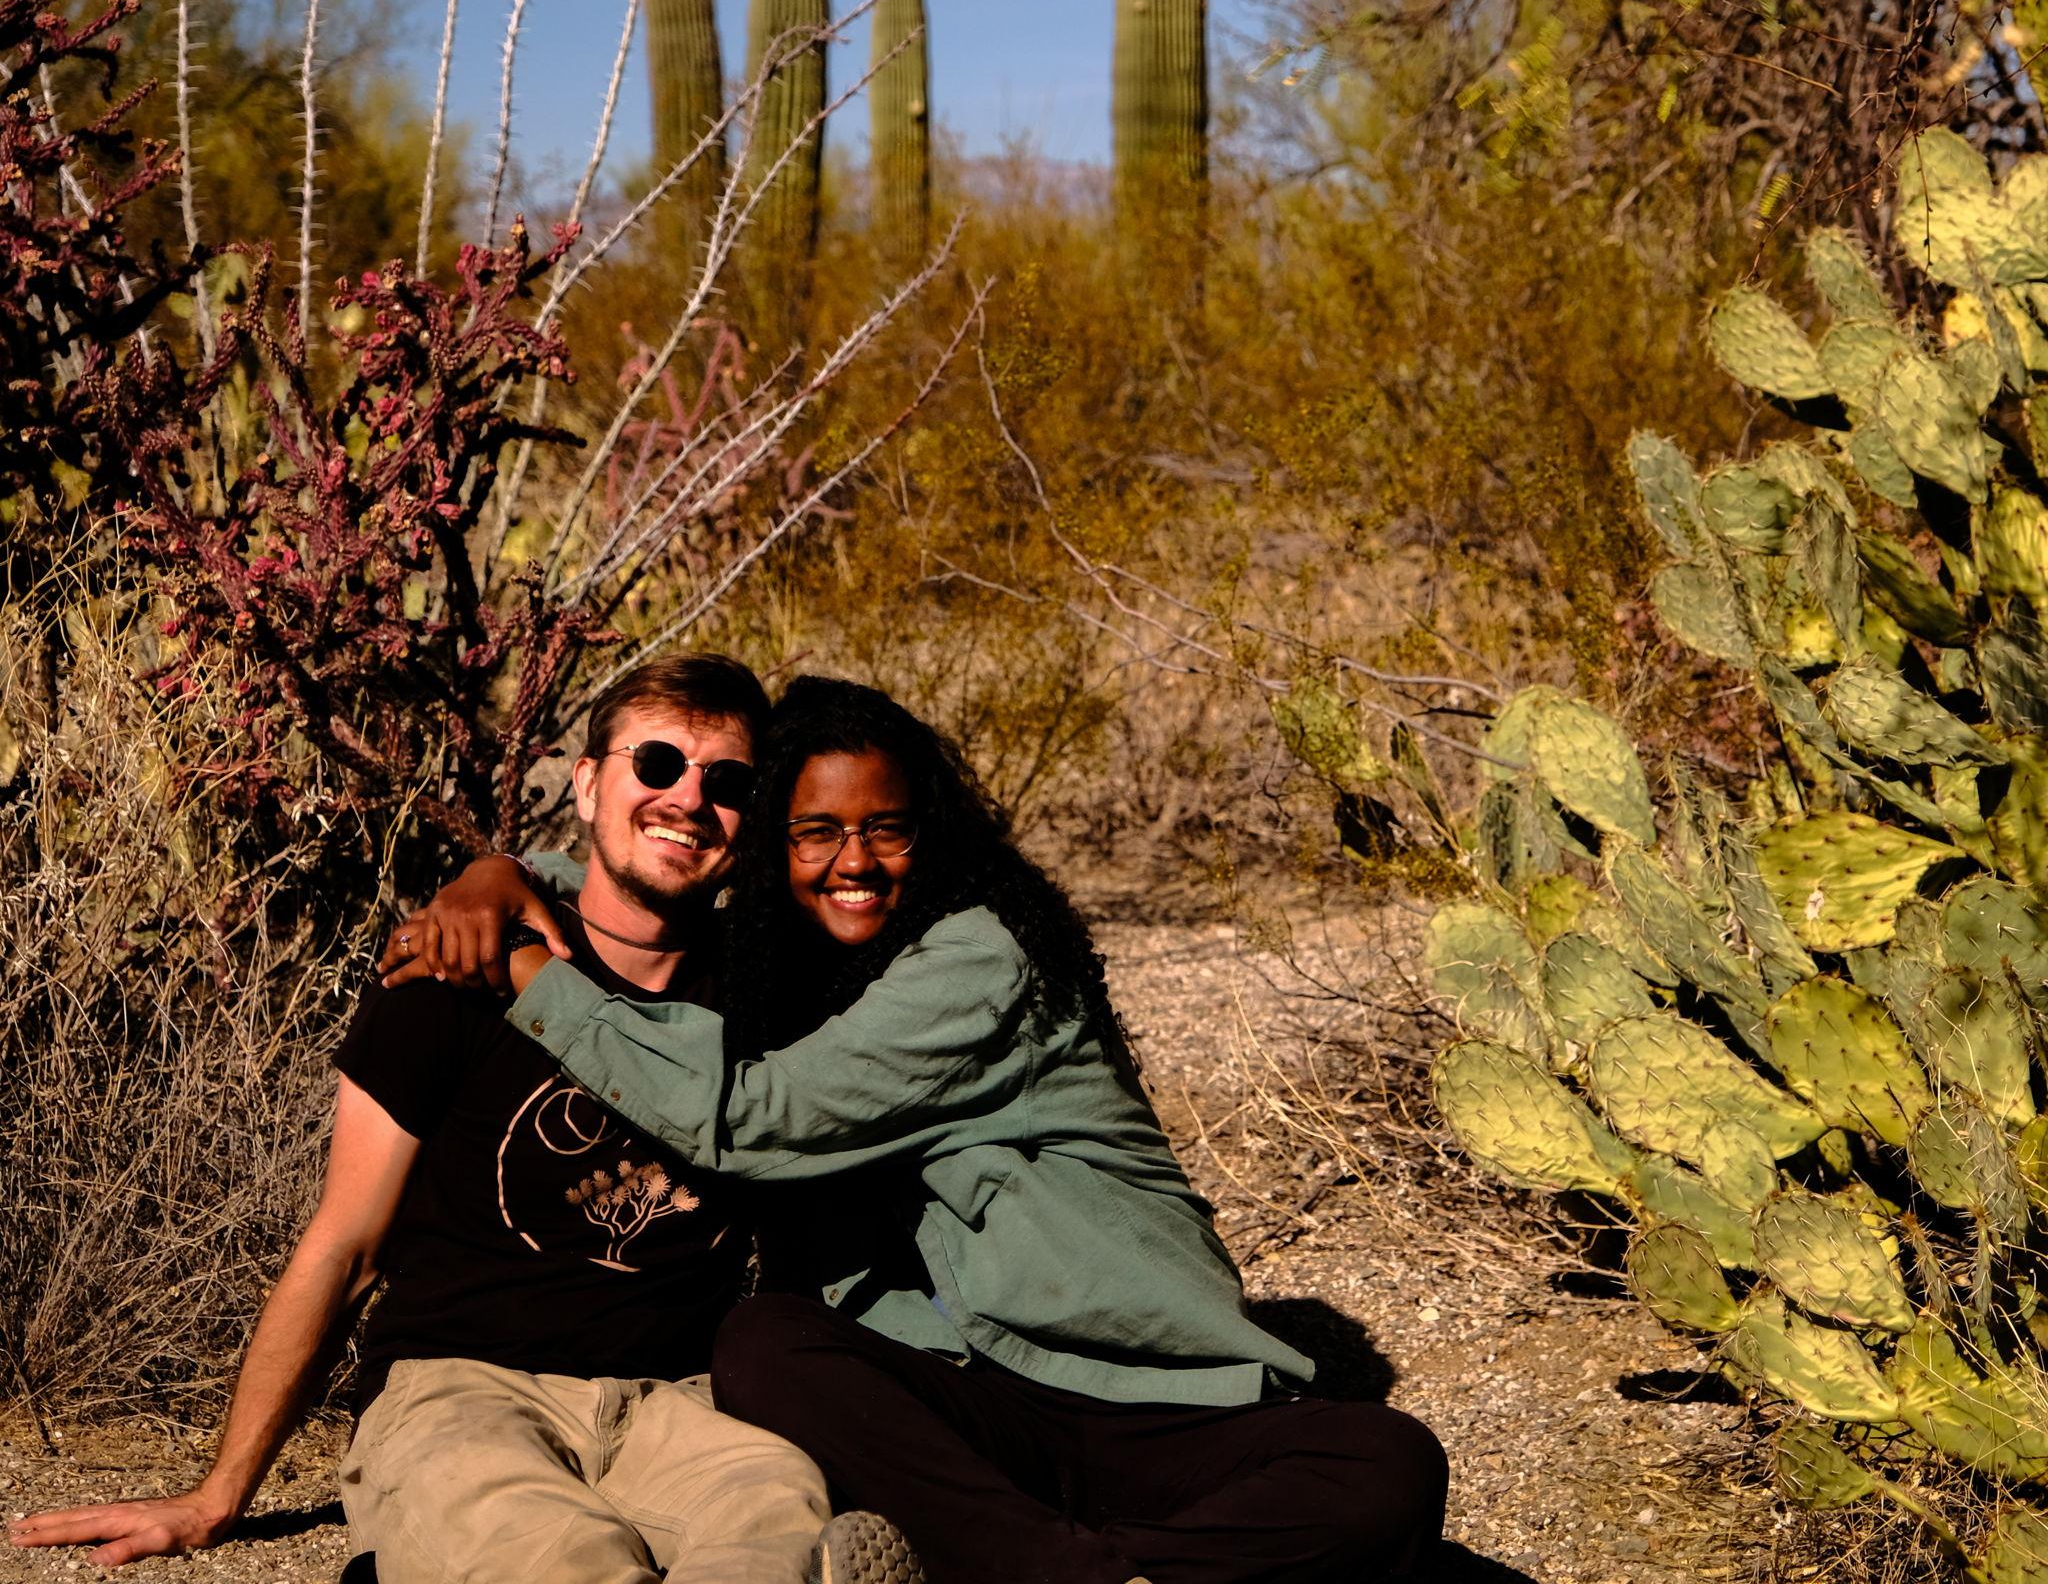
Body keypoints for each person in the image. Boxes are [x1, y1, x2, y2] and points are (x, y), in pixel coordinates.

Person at [394, 675, 1449, 1584]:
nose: (852, 860)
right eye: (814, 832)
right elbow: (641, 895)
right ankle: (1103, 1564)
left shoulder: (979, 959)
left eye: (884, 827)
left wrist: (525, 967)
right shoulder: (798, 965)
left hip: (1131, 1397)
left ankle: (1040, 1565)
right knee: (767, 1344)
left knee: (1385, 1461)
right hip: (967, 1406)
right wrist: (510, 875)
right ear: (776, 846)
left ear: (927, 830)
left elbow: (753, 1120)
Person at [9, 654, 912, 1584]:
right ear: (590, 779)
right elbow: (344, 1244)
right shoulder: (454, 973)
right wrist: (219, 1492)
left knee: (778, 1504)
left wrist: (495, 867)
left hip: (674, 1406)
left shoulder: (769, 997)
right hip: (459, 1390)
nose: (687, 799)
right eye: (655, 765)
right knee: (546, 1552)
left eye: (726, 782)